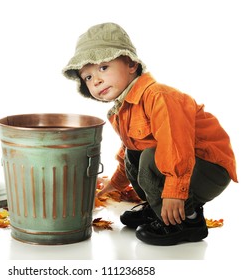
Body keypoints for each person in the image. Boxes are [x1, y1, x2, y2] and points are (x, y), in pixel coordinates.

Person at [62, 22, 238, 246]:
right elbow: (128, 156)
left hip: (207, 167)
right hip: (180, 166)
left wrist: (175, 193)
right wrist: (109, 188)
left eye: (103, 67)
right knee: (134, 154)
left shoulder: (159, 96)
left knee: (148, 156)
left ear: (132, 64)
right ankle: (158, 212)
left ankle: (188, 221)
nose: (95, 80)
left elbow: (176, 145)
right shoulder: (122, 110)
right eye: (87, 77)